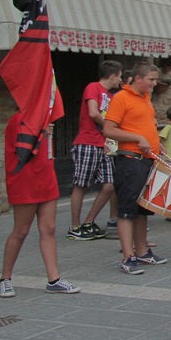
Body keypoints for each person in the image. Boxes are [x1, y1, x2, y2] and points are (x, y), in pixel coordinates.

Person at [0, 110, 80, 297]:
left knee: (48, 228)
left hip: (46, 178)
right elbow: (22, 151)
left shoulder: (43, 119)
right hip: (25, 181)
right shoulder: (18, 119)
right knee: (21, 230)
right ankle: (5, 278)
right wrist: (41, 134)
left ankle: (54, 279)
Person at [102, 62, 168, 274]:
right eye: (151, 79)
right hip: (130, 160)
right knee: (127, 210)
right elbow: (109, 130)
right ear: (138, 79)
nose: (154, 84)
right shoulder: (121, 98)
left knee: (142, 210)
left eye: (155, 80)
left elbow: (145, 127)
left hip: (147, 160)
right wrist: (137, 138)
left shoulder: (146, 99)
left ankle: (142, 252)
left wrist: (158, 146)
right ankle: (127, 256)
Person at [67, 60, 123, 241]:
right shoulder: (93, 87)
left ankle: (88, 221)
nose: (120, 81)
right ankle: (75, 226)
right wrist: (109, 126)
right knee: (81, 184)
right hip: (87, 142)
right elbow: (93, 112)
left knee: (109, 184)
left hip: (102, 143)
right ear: (113, 75)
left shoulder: (110, 95)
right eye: (119, 76)